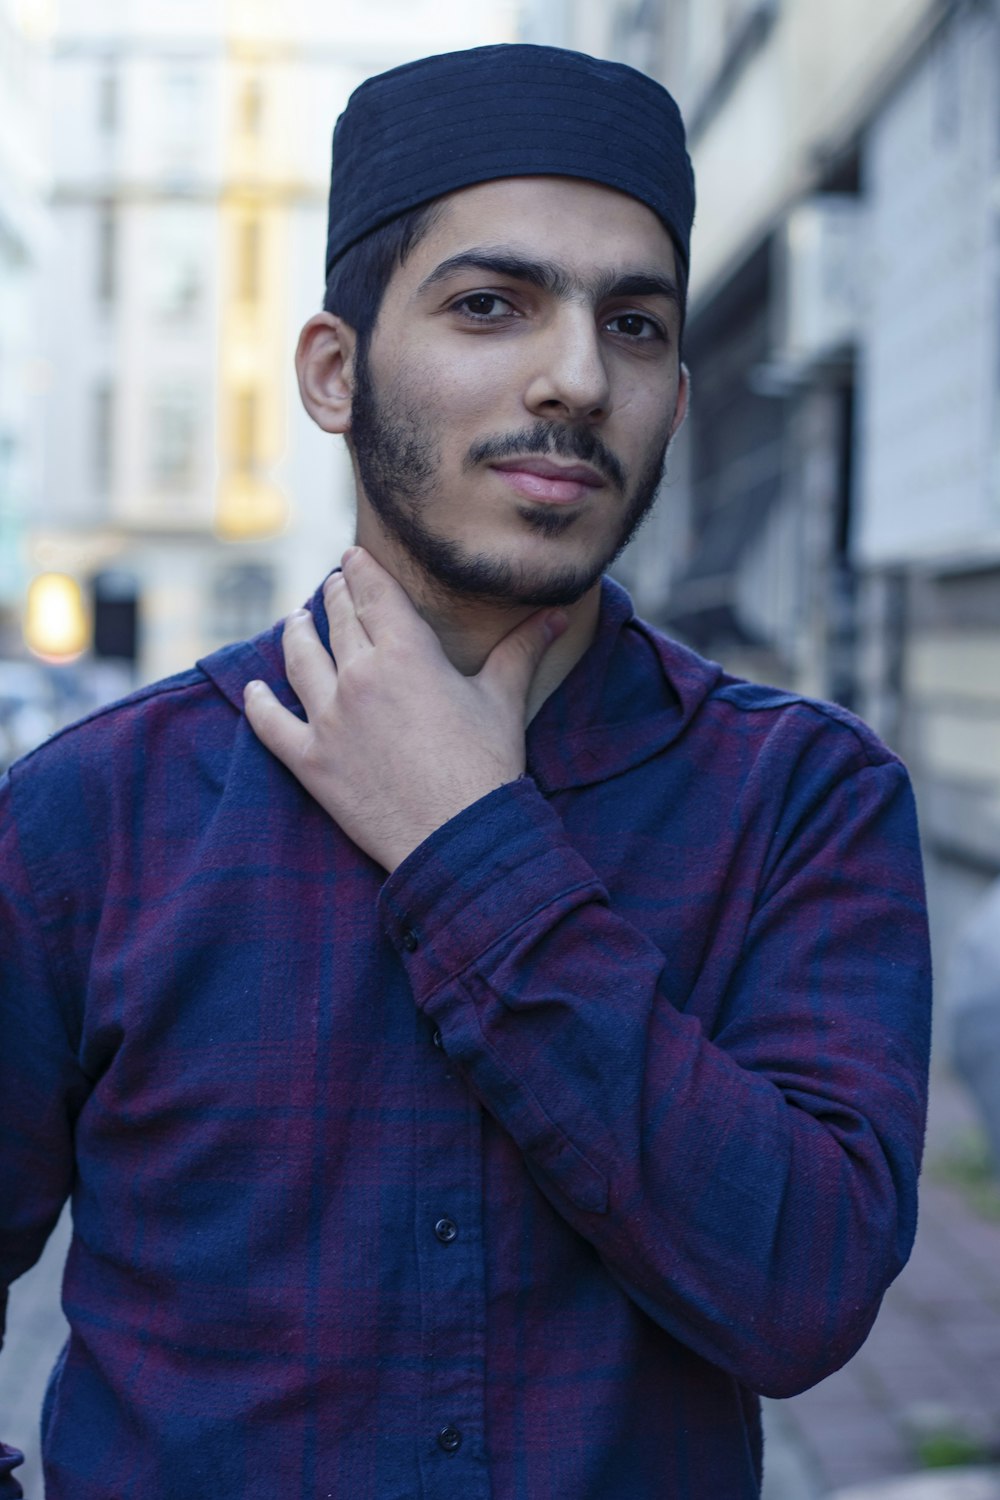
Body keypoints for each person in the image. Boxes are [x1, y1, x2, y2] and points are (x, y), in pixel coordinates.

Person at [0, 43, 931, 1500]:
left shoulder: (803, 803)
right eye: (491, 305)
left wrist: (473, 843)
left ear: (679, 396)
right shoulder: (93, 815)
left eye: (634, 325)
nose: (575, 377)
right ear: (334, 368)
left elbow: (801, 1294)